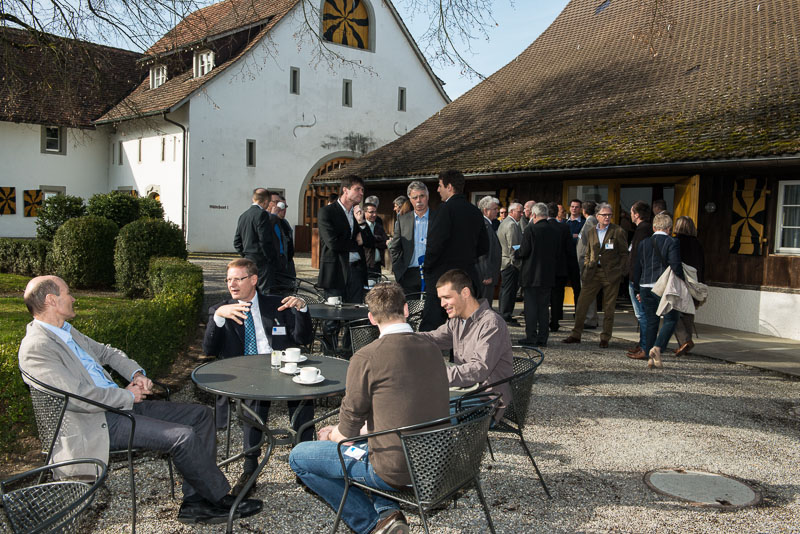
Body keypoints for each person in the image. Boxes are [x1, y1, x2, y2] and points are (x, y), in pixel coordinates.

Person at [19, 276, 263, 525]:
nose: (73, 298)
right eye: (67, 293)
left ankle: (195, 502)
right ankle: (220, 498)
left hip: (118, 408)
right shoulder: (37, 347)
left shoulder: (65, 331)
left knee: (200, 415)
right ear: (51, 300)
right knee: (183, 436)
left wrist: (135, 374)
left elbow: (106, 352)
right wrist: (126, 395)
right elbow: (77, 397)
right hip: (95, 422)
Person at [290, 283, 449, 534]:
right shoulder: (432, 348)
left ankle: (370, 524)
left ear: (371, 318)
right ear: (406, 310)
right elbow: (398, 412)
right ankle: (388, 513)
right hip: (435, 462)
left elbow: (348, 430)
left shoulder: (366, 357)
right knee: (364, 444)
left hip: (394, 470)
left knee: (299, 457)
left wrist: (331, 435)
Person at [203, 259, 313, 497]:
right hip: (246, 373)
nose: (232, 284)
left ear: (253, 280)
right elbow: (209, 350)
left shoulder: (277, 305)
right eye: (228, 279)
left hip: (281, 368)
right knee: (254, 399)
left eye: (238, 279)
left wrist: (303, 310)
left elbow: (302, 339)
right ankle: (250, 466)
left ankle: (306, 463)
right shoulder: (221, 309)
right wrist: (218, 318)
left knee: (304, 394)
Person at [417, 269, 514, 419]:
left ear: (465, 293)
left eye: (447, 297)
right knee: (416, 402)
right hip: (467, 394)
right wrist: (401, 337)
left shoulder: (491, 324)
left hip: (487, 404)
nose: (442, 304)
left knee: (420, 413)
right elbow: (434, 338)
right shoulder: (457, 320)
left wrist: (436, 375)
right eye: (440, 299)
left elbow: (479, 369)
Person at [420, 170, 489, 331]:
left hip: (443, 277)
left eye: (440, 185)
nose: (438, 190)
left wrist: (427, 268)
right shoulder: (475, 212)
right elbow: (484, 246)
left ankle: (428, 350)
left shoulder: (445, 209)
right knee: (464, 325)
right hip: (467, 276)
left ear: (449, 187)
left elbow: (435, 244)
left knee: (432, 325)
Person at [563, 202, 629, 348]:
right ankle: (576, 334)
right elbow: (588, 251)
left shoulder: (618, 231)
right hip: (593, 272)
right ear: (597, 216)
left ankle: (605, 337)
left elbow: (624, 254)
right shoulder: (592, 231)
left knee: (609, 308)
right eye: (604, 215)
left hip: (610, 274)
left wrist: (620, 271)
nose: (607, 217)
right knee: (582, 303)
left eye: (609, 215)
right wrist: (587, 264)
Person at [633, 212, 684, 368]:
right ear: (669, 228)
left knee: (651, 321)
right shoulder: (672, 242)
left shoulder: (644, 243)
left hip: (645, 285)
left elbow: (638, 266)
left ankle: (650, 356)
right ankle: (657, 347)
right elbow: (675, 265)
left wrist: (637, 289)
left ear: (654, 228)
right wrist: (683, 282)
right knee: (671, 319)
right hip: (663, 287)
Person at [317, 175, 374, 305]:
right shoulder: (327, 212)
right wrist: (357, 242)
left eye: (362, 190)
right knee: (333, 314)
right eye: (357, 189)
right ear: (345, 190)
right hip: (335, 271)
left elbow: (370, 242)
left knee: (355, 311)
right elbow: (333, 243)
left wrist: (361, 222)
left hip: (356, 271)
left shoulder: (357, 214)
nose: (361, 193)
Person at [515, 203, 559, 347]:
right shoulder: (554, 230)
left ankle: (531, 337)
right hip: (548, 274)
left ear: (534, 215)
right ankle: (543, 337)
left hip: (531, 274)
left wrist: (516, 252)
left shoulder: (531, 229)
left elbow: (524, 251)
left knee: (531, 308)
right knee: (544, 308)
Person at [388, 181, 434, 294]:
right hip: (408, 275)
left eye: (422, 196)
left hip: (433, 274)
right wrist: (399, 271)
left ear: (428, 196)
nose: (419, 200)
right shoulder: (403, 220)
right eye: (415, 197)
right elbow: (395, 247)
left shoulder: (438, 218)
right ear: (410, 199)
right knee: (410, 305)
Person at [234, 188, 280, 294]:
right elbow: (264, 240)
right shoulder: (262, 214)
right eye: (268, 202)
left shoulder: (243, 215)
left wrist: (246, 255)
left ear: (253, 199)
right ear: (265, 202)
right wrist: (270, 258)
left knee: (250, 291)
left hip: (248, 259)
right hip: (261, 260)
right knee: (264, 292)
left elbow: (237, 241)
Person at [673, 216, 705, 356]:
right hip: (694, 280)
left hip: (679, 280)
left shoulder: (675, 242)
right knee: (688, 311)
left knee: (673, 311)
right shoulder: (697, 244)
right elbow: (702, 265)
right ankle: (686, 342)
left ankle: (685, 341)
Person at [626, 201, 653, 360]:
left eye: (631, 212)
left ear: (636, 214)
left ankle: (645, 347)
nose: (630, 215)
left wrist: (636, 283)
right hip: (639, 278)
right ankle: (643, 344)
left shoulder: (643, 231)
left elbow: (638, 258)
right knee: (642, 315)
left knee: (642, 315)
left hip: (639, 279)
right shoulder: (644, 230)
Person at [546, 202, 579, 333]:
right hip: (560, 268)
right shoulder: (564, 228)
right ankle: (555, 321)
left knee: (544, 296)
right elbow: (570, 249)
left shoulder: (540, 227)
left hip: (545, 268)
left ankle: (542, 321)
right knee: (558, 296)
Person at [497, 202, 524, 326]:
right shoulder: (511, 225)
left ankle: (504, 314)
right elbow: (513, 246)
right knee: (509, 290)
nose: (521, 214)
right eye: (519, 211)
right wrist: (515, 264)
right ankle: (506, 315)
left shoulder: (506, 222)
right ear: (511, 212)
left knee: (505, 290)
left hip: (505, 262)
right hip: (510, 263)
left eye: (522, 211)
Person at [576, 200, 599, 329]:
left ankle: (590, 319)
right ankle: (590, 317)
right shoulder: (590, 221)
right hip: (585, 261)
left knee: (588, 290)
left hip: (587, 262)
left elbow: (592, 243)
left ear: (583, 210)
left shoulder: (590, 222)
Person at [476, 196, 502, 307]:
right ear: (486, 210)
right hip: (486, 275)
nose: (497, 211)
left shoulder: (487, 225)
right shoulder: (485, 226)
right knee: (484, 306)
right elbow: (484, 252)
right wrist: (487, 274)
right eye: (494, 209)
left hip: (488, 273)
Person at [363, 202, 388, 279]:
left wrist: (372, 241)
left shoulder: (379, 226)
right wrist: (377, 240)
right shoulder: (362, 226)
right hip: (366, 264)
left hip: (377, 264)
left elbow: (385, 243)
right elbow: (363, 242)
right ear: (364, 213)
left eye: (375, 212)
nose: (374, 214)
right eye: (371, 212)